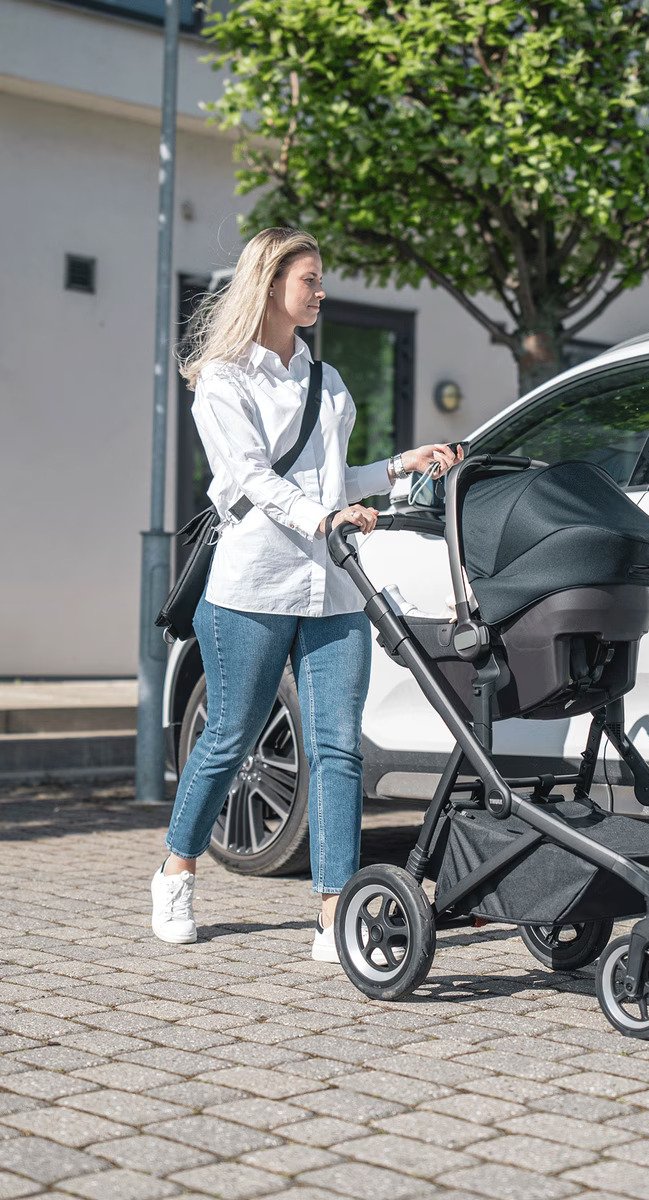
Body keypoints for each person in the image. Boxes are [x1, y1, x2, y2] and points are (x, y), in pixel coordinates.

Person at [151, 226, 461, 961]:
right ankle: (176, 871)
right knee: (228, 739)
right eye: (309, 280)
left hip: (333, 592)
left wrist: (394, 468)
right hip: (251, 588)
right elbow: (256, 480)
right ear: (270, 284)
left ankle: (333, 914)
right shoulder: (225, 380)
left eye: (321, 280)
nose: (321, 292)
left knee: (337, 752)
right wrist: (324, 516)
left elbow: (331, 482)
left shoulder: (327, 382)